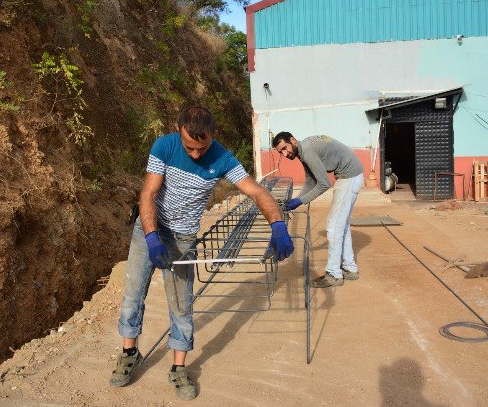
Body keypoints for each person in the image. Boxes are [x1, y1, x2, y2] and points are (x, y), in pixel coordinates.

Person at [110, 107, 294, 400]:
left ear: (213, 136)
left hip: (182, 239)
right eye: (190, 148)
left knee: (181, 305)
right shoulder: (165, 146)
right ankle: (129, 353)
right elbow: (148, 193)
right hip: (149, 232)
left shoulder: (222, 158)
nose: (196, 154)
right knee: (133, 295)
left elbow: (257, 192)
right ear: (178, 129)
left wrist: (278, 225)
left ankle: (178, 368)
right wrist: (151, 236)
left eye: (202, 147)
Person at [272, 132, 364, 288]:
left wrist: (300, 201)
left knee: (334, 227)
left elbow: (324, 183)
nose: (285, 154)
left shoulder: (307, 151)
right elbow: (310, 180)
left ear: (293, 141)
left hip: (349, 176)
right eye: (280, 152)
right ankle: (350, 268)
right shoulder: (302, 150)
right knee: (342, 225)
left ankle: (334, 274)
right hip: (352, 174)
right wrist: (295, 200)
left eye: (285, 148)